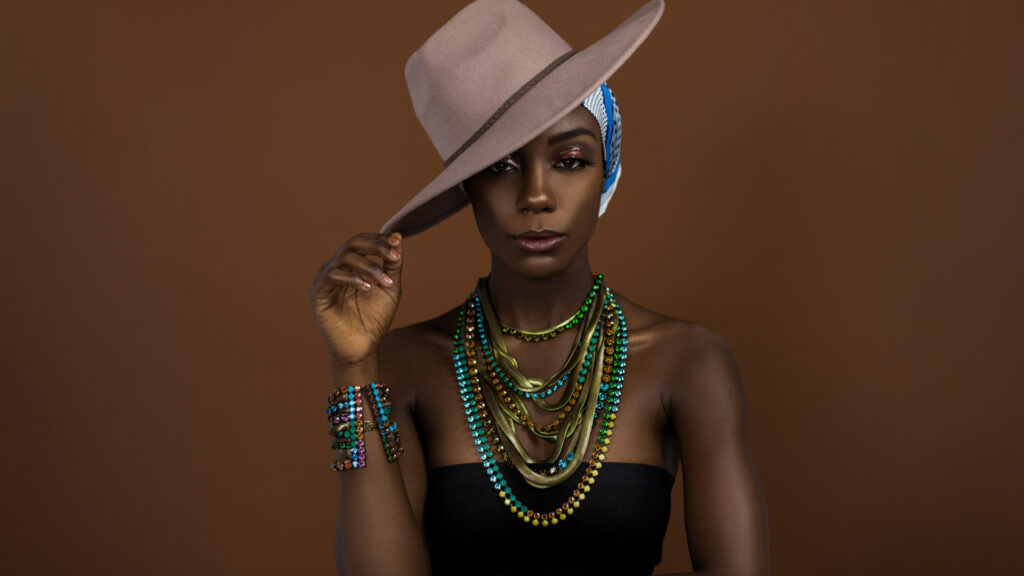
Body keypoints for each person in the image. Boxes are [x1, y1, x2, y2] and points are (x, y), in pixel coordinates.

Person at [307, 1, 769, 575]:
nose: (537, 196)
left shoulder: (688, 363)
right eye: (501, 167)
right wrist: (352, 368)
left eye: (570, 159)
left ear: (608, 168)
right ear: (466, 190)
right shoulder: (406, 364)